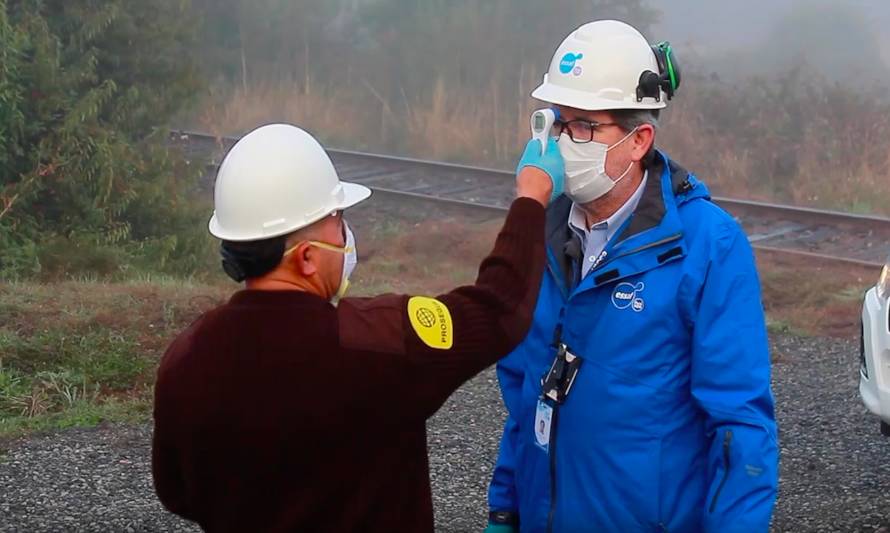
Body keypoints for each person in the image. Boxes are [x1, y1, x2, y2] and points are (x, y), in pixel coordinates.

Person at [151, 123, 562, 532]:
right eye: (336, 219)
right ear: (307, 257)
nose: (346, 233)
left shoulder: (185, 357)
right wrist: (531, 199)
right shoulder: (378, 342)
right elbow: (499, 308)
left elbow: (176, 492)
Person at [485, 20, 778, 533]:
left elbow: (740, 427)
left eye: (584, 127)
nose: (561, 144)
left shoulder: (707, 246)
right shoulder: (542, 235)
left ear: (640, 139)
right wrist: (505, 509)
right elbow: (527, 397)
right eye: (556, 123)